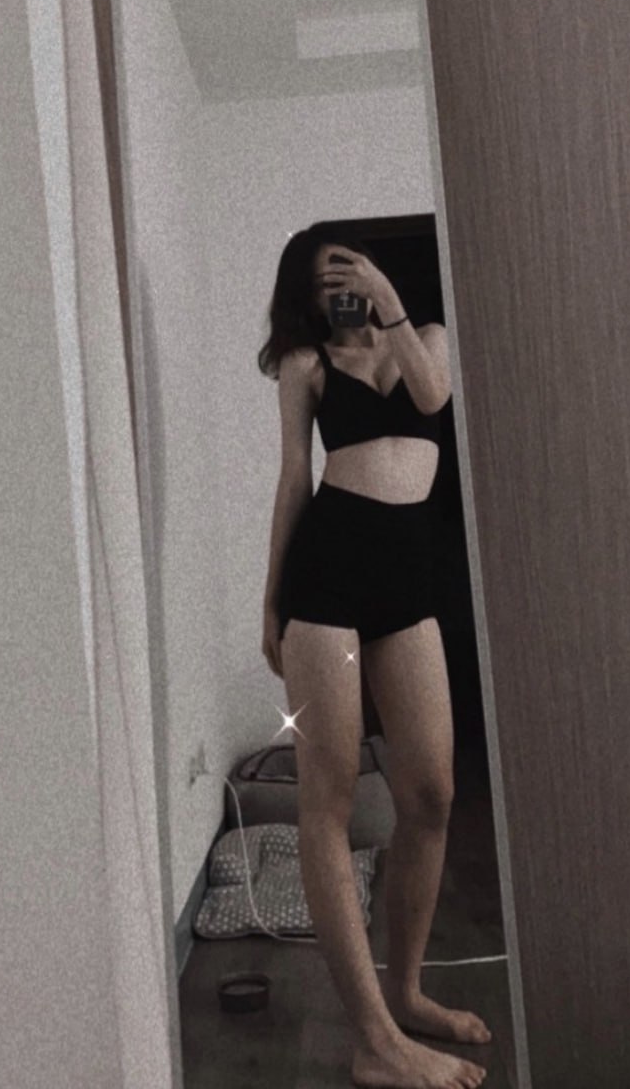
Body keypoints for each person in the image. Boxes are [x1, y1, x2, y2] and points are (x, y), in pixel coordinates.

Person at [259, 224, 491, 1089]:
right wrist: (271, 601)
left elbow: (433, 398)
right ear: (306, 295)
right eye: (326, 282)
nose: (343, 291)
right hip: (327, 581)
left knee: (431, 792)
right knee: (327, 798)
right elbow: (294, 478)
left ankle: (408, 992)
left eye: (350, 273)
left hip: (407, 584)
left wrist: (391, 305)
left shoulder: (425, 338)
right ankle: (374, 1040)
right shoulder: (307, 364)